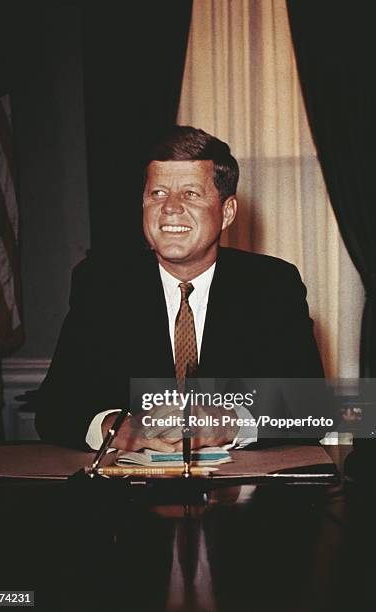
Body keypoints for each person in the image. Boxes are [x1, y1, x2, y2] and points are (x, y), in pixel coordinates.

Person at [34, 126, 327, 451]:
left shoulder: (272, 285)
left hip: (242, 492)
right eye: (157, 193)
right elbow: (54, 409)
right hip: (132, 496)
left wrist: (229, 423)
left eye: (190, 193)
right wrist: (118, 428)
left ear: (227, 212)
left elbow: (313, 408)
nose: (170, 207)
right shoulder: (102, 284)